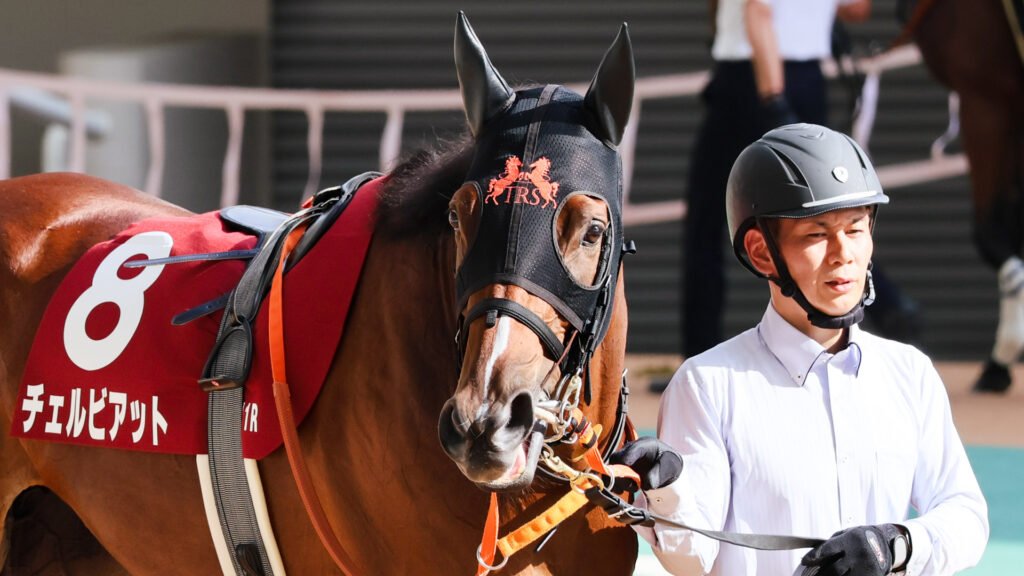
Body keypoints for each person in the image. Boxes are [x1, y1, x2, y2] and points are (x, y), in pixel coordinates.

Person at [615, 124, 988, 575]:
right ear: (761, 252)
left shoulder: (910, 373)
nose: (844, 253)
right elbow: (690, 559)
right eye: (817, 234)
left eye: (856, 228)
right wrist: (667, 487)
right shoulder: (707, 385)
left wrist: (897, 544)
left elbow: (966, 515)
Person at [680, 0, 920, 364]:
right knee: (825, 206)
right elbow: (857, 8)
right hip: (808, 78)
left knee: (706, 224)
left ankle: (699, 354)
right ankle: (888, 303)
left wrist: (773, 98)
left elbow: (758, 10)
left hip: (753, 79)